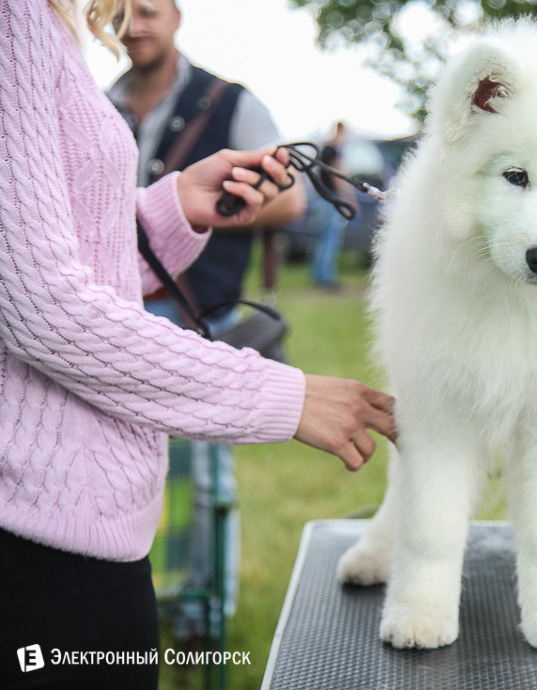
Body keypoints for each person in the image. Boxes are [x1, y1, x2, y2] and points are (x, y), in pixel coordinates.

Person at [0, 2, 396, 688]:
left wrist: (170, 205)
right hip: (39, 545)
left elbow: (50, 253)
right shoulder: (16, 19)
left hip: (72, 530)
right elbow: (43, 305)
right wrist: (281, 396)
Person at [106, 0, 305, 645]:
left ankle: (202, 619)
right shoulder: (101, 102)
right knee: (113, 466)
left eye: (148, 10)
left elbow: (294, 200)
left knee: (203, 475)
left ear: (176, 16)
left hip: (198, 308)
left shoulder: (230, 101)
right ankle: (131, 611)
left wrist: (208, 208)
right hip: (110, 310)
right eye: (120, 12)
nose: (134, 24)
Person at [310, 121, 357, 290]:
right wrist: (347, 198)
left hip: (322, 198)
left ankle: (318, 276)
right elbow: (337, 176)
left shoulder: (324, 149)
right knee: (331, 239)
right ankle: (327, 279)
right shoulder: (334, 151)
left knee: (322, 239)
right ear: (340, 132)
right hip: (331, 200)